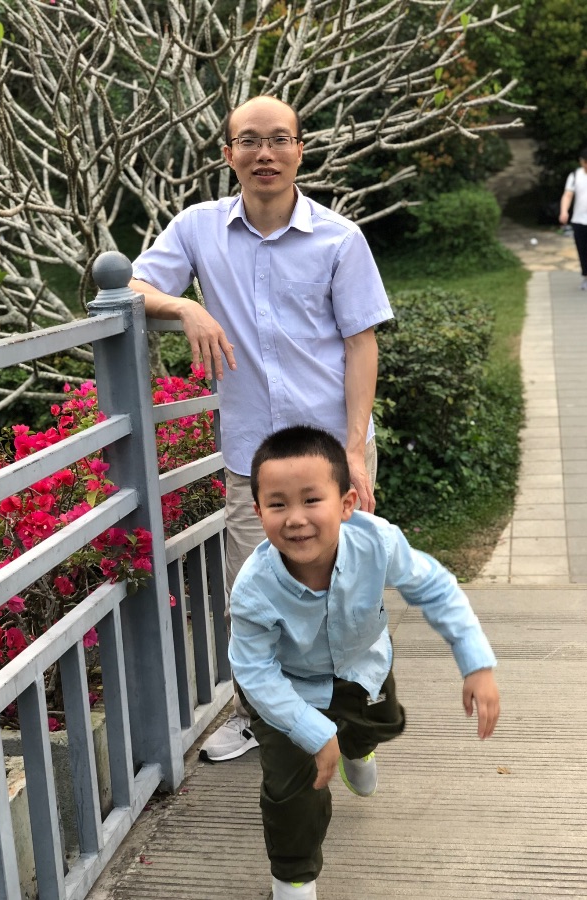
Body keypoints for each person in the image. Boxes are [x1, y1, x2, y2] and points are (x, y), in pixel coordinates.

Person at [129, 95, 394, 762]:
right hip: (253, 458)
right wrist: (185, 307)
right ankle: (264, 719)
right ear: (229, 154)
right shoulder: (198, 229)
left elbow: (361, 344)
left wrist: (354, 450)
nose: (264, 153)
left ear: (300, 151)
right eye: (249, 140)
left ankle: (351, 717)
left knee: (343, 595)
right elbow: (129, 288)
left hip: (331, 453)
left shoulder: (339, 238)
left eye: (279, 139)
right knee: (253, 597)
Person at [228, 425, 500, 900]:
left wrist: (475, 663)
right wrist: (312, 731)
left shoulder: (377, 542)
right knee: (290, 788)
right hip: (287, 688)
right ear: (258, 512)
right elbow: (254, 670)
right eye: (278, 504)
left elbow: (435, 588)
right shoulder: (254, 588)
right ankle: (293, 881)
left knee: (383, 722)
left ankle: (359, 745)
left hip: (362, 667)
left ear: (347, 503)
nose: (296, 519)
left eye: (312, 500)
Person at [559, 146, 587, 290]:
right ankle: (585, 276)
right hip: (579, 219)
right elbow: (568, 195)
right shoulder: (575, 175)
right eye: (585, 162)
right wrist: (564, 211)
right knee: (582, 249)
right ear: (581, 161)